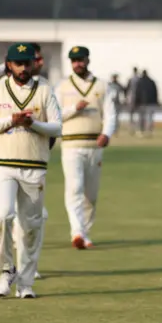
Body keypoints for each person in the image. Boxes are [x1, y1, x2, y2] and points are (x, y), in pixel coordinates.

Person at [0, 42, 62, 298]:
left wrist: (33, 123)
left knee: (30, 227)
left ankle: (26, 284)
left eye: (27, 63)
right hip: (3, 163)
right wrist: (11, 121)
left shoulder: (44, 88)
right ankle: (7, 270)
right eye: (18, 63)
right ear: (9, 64)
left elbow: (57, 127)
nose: (23, 68)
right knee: (2, 216)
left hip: (34, 165)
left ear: (33, 63)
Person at [55, 46, 118, 249]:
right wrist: (75, 108)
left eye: (81, 60)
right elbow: (54, 115)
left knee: (91, 194)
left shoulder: (102, 85)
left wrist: (107, 133)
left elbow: (110, 113)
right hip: (71, 145)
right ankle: (77, 233)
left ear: (87, 60)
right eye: (74, 60)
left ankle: (86, 232)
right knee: (75, 188)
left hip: (94, 145)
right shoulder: (63, 86)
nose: (78, 64)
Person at [135, 70, 159, 137]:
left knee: (141, 118)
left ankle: (140, 131)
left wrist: (136, 102)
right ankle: (149, 131)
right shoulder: (151, 82)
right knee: (150, 118)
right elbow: (155, 92)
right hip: (151, 102)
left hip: (142, 103)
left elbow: (137, 93)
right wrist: (156, 102)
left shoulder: (139, 82)